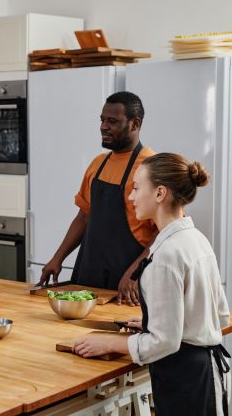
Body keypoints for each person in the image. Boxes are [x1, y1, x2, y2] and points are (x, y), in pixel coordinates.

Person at [73, 153, 230, 416]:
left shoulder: (167, 254)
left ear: (160, 193)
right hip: (205, 376)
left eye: (135, 188)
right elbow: (221, 316)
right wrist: (155, 320)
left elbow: (164, 343)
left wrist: (110, 343)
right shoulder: (196, 239)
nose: (131, 197)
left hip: (186, 381)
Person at [38, 91, 157, 305]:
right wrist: (58, 258)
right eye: (102, 120)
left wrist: (134, 274)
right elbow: (84, 217)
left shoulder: (152, 168)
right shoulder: (98, 164)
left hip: (127, 287)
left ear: (135, 124)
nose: (103, 126)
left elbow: (165, 234)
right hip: (89, 275)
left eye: (112, 121)